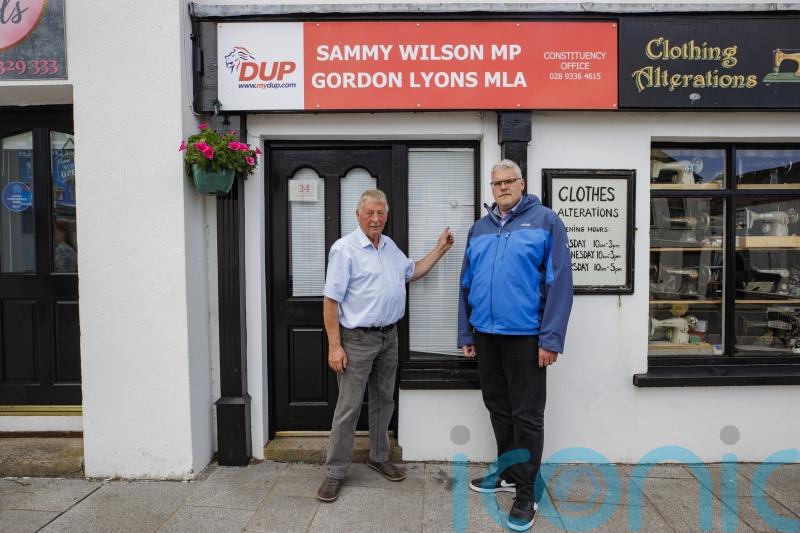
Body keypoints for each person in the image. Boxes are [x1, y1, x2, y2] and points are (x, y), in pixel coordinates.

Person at [316, 188, 454, 502]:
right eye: (370, 213)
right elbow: (330, 301)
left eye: (381, 213)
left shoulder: (390, 247)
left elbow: (412, 272)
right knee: (348, 408)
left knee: (383, 400)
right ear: (358, 215)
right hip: (357, 340)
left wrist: (439, 250)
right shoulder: (345, 249)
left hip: (389, 337)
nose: (376, 219)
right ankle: (335, 471)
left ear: (386, 215)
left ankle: (379, 457)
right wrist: (334, 346)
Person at [458, 159, 573, 531]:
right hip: (486, 336)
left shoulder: (545, 222)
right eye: (497, 183)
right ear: (491, 188)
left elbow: (560, 284)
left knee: (526, 414)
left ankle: (527, 491)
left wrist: (550, 338)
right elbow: (465, 285)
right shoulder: (479, 229)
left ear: (522, 184)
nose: (503, 187)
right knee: (498, 407)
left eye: (509, 181)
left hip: (526, 337)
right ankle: (507, 472)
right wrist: (466, 334)